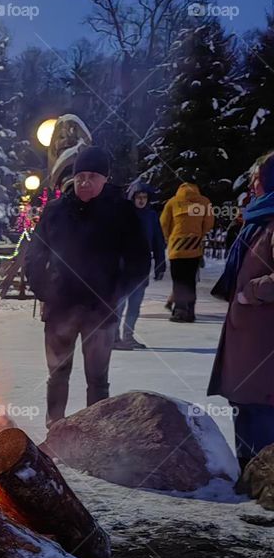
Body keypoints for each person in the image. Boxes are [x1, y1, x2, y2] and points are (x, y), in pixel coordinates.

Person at [24, 145, 150, 427]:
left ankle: (96, 433)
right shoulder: (56, 210)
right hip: (60, 308)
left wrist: (116, 292)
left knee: (97, 379)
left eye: (92, 176)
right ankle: (55, 429)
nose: (84, 181)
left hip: (101, 310)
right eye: (80, 175)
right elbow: (34, 254)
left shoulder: (122, 212)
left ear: (105, 178)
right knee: (57, 373)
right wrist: (43, 289)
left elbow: (139, 261)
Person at [208, 151, 274, 471]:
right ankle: (248, 476)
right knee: (245, 406)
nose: (252, 185)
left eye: (257, 179)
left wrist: (253, 292)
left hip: (264, 342)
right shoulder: (258, 220)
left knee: (261, 410)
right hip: (247, 338)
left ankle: (263, 485)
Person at [114, 181, 166, 350]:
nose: (141, 200)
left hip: (142, 266)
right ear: (132, 197)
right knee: (119, 304)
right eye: (138, 197)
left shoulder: (151, 217)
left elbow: (158, 241)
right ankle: (114, 337)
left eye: (144, 197)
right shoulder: (124, 215)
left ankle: (128, 336)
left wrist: (160, 264)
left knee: (135, 304)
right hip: (124, 266)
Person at [160, 181, 214, 322]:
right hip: (194, 249)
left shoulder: (173, 202)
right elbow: (209, 222)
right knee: (190, 281)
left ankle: (179, 311)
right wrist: (200, 235)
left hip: (176, 249)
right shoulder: (204, 202)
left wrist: (169, 237)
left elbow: (164, 222)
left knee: (178, 280)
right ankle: (190, 312)